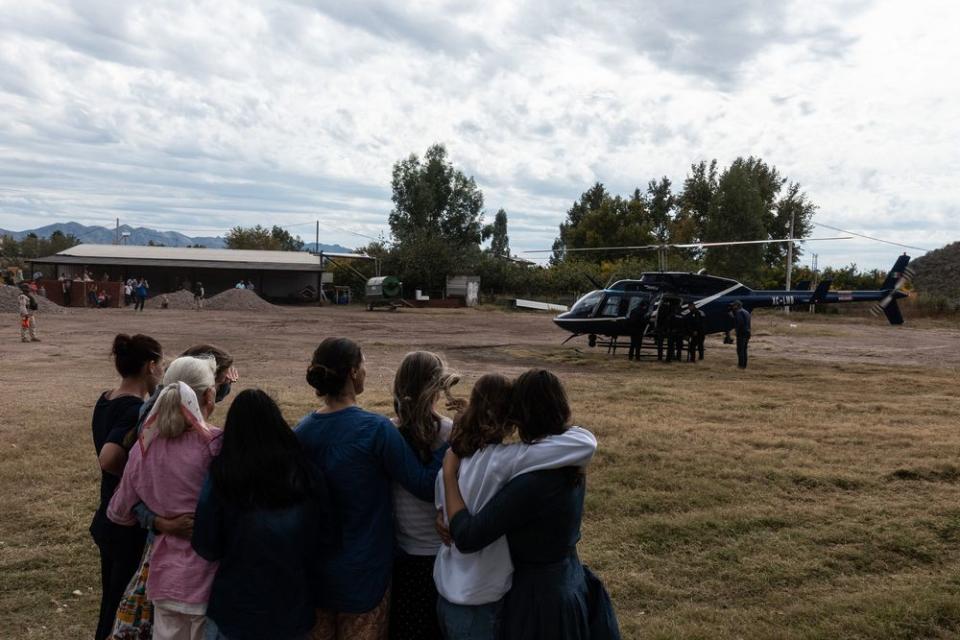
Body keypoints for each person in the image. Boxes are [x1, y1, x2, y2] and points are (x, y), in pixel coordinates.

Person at [442, 369, 620, 640]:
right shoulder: (567, 458)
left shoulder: (531, 482)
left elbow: (468, 536)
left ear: (521, 414)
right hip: (567, 579)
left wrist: (448, 475)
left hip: (538, 602)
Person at [295, 337, 443, 640]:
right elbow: (425, 484)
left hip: (314, 573)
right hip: (364, 574)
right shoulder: (375, 429)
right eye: (363, 365)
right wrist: (452, 443)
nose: (366, 371)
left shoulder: (302, 431)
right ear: (352, 372)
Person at [192, 389, 334, 640]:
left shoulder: (222, 476)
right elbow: (327, 536)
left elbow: (206, 544)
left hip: (235, 608)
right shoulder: (306, 473)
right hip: (292, 607)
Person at [108, 356, 223, 640]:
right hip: (212, 580)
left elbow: (118, 512)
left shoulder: (143, 448)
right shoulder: (217, 445)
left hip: (165, 581)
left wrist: (159, 520)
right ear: (209, 395)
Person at [90, 334, 164, 640]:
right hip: (125, 524)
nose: (161, 371)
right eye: (160, 364)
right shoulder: (134, 409)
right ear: (149, 365)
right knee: (120, 605)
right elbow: (108, 458)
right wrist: (135, 475)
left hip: (107, 516)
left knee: (112, 597)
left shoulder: (106, 398)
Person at [389, 352, 459, 640]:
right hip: (446, 556)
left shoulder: (388, 432)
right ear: (438, 387)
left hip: (405, 556)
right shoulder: (452, 433)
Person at [731, 300, 751, 369]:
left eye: (734, 305)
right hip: (747, 333)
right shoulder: (746, 312)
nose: (733, 307)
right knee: (744, 350)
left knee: (740, 350)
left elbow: (739, 322)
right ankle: (744, 365)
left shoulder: (739, 312)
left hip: (741, 333)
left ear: (737, 305)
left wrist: (736, 331)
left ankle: (740, 365)